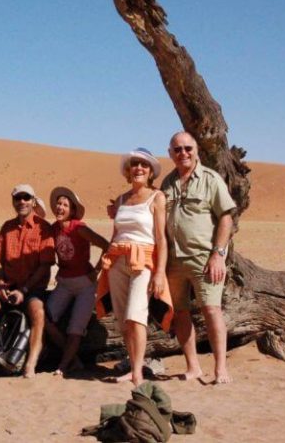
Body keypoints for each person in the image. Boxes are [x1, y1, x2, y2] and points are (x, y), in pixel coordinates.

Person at [161, 131, 237, 384]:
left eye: (187, 148)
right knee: (180, 313)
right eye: (177, 149)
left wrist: (218, 254)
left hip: (204, 258)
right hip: (173, 260)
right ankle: (193, 366)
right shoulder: (167, 183)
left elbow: (226, 216)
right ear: (170, 153)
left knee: (211, 309)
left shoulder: (210, 179)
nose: (183, 153)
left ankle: (221, 369)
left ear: (196, 151)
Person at [98, 147, 168, 386]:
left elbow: (161, 239)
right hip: (117, 261)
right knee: (122, 318)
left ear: (150, 172)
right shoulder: (120, 200)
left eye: (144, 165)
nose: (138, 168)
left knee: (136, 315)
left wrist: (159, 272)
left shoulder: (157, 197)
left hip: (144, 261)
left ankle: (138, 371)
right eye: (134, 164)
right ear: (128, 171)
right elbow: (116, 233)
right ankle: (131, 363)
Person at [0, 184, 55, 378]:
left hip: (32, 288)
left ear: (33, 201)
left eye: (26, 198)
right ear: (13, 202)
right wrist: (0, 283)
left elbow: (45, 266)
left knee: (38, 313)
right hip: (6, 286)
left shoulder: (44, 229)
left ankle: (30, 365)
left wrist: (24, 290)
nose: (22, 202)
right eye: (18, 198)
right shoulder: (7, 227)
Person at [44, 187, 109, 376]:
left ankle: (63, 366)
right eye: (59, 204)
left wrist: (96, 271)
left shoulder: (79, 228)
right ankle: (73, 359)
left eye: (65, 205)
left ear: (72, 211)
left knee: (75, 328)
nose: (60, 207)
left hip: (85, 285)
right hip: (64, 282)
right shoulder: (53, 228)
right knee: (47, 319)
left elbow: (105, 244)